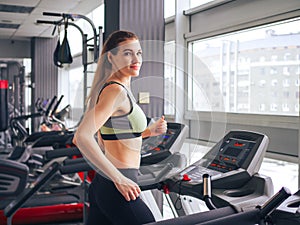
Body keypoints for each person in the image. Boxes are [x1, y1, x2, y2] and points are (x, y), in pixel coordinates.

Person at [73, 30, 167, 225]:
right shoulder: (115, 90)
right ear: (111, 57)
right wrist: (119, 179)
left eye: (139, 53)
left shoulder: (118, 88)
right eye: (127, 53)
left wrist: (150, 131)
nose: (136, 58)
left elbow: (114, 135)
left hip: (105, 184)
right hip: (118, 185)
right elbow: (82, 137)